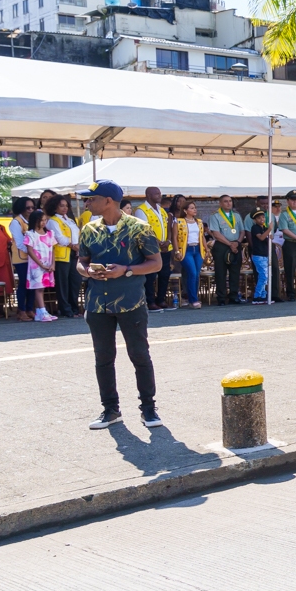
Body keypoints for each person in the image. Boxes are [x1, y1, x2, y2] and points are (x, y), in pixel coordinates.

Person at [77, 180, 163, 430]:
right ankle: (110, 410)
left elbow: (155, 263)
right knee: (103, 358)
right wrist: (88, 272)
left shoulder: (140, 228)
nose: (87, 203)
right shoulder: (88, 229)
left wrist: (126, 270)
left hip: (130, 302)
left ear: (108, 201)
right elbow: (80, 262)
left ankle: (148, 408)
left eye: (91, 199)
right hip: (97, 304)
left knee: (139, 355)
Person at [133, 187, 172, 313]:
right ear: (149, 195)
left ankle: (161, 299)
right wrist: (157, 243)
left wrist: (167, 241)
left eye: (160, 193)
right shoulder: (141, 210)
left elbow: (168, 226)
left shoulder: (161, 210)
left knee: (164, 274)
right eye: (157, 194)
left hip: (165, 248)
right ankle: (150, 301)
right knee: (150, 276)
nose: (160, 196)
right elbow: (145, 230)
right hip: (150, 249)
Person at [206, 194, 246, 304]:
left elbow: (242, 231)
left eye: (230, 201)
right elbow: (216, 233)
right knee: (221, 272)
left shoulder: (237, 215)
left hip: (236, 245)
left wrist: (237, 242)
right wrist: (230, 244)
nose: (229, 203)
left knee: (235, 272)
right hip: (222, 246)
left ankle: (233, 295)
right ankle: (221, 297)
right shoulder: (215, 216)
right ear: (220, 203)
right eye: (225, 201)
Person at [47, 195, 81, 317]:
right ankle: (66, 310)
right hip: (62, 255)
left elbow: (77, 234)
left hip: (74, 253)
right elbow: (59, 237)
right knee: (63, 284)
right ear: (55, 207)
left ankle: (74, 308)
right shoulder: (52, 220)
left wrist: (77, 245)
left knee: (75, 282)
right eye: (62, 206)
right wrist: (73, 245)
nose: (65, 208)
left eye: (66, 205)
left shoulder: (70, 220)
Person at [23, 209, 58, 321]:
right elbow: (30, 251)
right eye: (40, 220)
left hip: (48, 264)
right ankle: (42, 311)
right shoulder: (31, 234)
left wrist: (53, 264)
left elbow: (52, 250)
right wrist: (41, 265)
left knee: (43, 288)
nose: (43, 222)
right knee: (39, 288)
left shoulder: (49, 233)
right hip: (36, 266)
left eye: (44, 220)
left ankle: (40, 312)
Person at [176, 200, 205, 308]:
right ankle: (193, 299)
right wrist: (177, 251)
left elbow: (202, 236)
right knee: (192, 273)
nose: (194, 210)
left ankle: (193, 297)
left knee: (196, 274)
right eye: (191, 208)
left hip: (198, 249)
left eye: (195, 208)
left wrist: (206, 249)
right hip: (186, 249)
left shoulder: (199, 222)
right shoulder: (179, 222)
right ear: (185, 210)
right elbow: (174, 237)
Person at [10, 197, 35, 320]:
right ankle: (21, 310)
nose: (30, 210)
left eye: (32, 207)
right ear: (21, 208)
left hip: (33, 258)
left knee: (33, 283)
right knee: (24, 283)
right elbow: (19, 243)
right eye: (28, 208)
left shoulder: (32, 221)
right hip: (21, 258)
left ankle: (30, 308)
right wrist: (33, 252)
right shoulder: (16, 222)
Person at [247, 211, 272, 304]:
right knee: (263, 275)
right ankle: (257, 296)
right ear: (255, 220)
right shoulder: (255, 228)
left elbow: (267, 239)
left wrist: (269, 234)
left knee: (266, 276)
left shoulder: (264, 228)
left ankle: (263, 295)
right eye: (259, 218)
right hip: (258, 255)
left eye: (263, 217)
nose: (262, 220)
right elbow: (261, 238)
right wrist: (269, 229)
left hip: (264, 254)